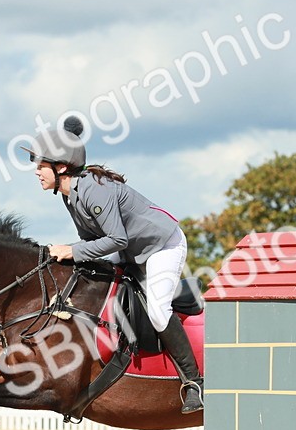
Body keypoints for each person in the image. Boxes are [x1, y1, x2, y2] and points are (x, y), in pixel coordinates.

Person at [21, 116, 203, 414]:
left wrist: (72, 250)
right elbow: (93, 241)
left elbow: (115, 240)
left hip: (161, 245)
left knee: (158, 312)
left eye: (41, 165)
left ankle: (194, 383)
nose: (37, 171)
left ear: (61, 167)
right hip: (131, 247)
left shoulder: (93, 190)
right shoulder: (69, 195)